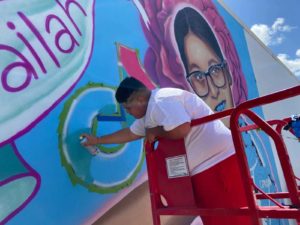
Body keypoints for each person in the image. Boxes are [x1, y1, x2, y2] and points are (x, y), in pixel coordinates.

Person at [82, 76, 253, 225]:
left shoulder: (161, 101)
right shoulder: (149, 112)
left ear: (140, 97)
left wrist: (156, 132)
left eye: (128, 107)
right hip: (204, 169)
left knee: (233, 218)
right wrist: (96, 140)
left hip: (219, 163)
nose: (128, 112)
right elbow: (130, 133)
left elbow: (181, 129)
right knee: (216, 219)